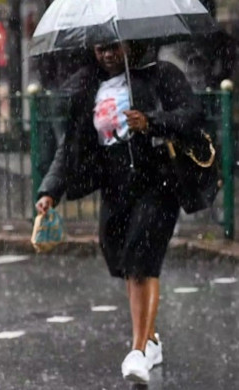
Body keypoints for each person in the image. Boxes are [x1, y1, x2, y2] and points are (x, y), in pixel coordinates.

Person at [35, 42, 203, 384]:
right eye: (100, 50)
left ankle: (138, 350)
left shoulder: (160, 75)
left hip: (158, 181)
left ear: (131, 44)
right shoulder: (88, 88)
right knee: (123, 261)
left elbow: (191, 114)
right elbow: (71, 146)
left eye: (113, 47)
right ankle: (152, 339)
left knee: (142, 259)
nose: (108, 55)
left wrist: (151, 122)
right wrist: (50, 191)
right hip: (115, 185)